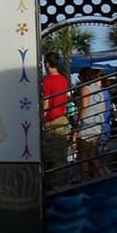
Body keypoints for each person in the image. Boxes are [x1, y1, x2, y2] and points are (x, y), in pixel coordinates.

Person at [42, 51, 71, 188]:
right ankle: (62, 183)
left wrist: (42, 118)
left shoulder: (47, 80)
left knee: (50, 156)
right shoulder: (64, 80)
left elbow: (46, 103)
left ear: (47, 64)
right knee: (61, 156)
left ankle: (54, 185)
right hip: (62, 118)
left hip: (51, 120)